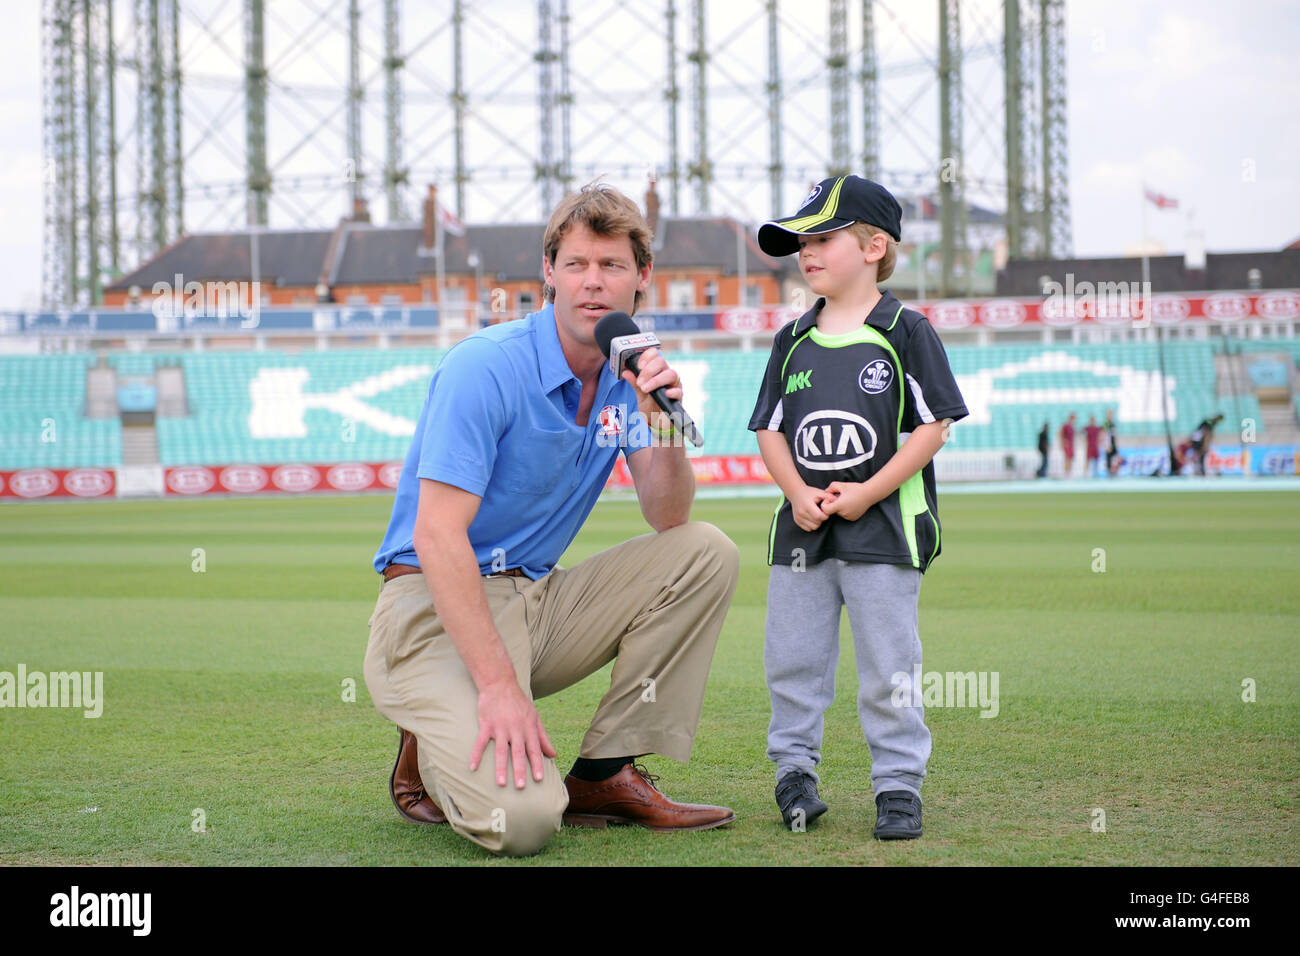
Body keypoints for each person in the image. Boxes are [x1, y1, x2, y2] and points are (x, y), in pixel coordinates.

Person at [365, 183, 740, 857]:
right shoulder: (484, 366)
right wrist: (501, 689)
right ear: (549, 272)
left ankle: (605, 773)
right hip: (432, 605)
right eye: (576, 264)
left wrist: (660, 422)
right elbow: (436, 534)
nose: (592, 283)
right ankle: (431, 721)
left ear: (641, 277)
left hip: (535, 598)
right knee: (527, 823)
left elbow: (669, 515)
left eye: (611, 266)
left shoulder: (629, 376)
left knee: (705, 550)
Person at [749, 175, 969, 839]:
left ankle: (898, 785)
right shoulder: (792, 338)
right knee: (792, 659)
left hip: (884, 532)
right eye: (800, 242)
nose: (806, 252)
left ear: (875, 244)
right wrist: (797, 493)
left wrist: (867, 492)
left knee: (888, 666)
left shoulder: (905, 331)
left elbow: (933, 428)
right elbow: (769, 429)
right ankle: (794, 775)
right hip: (802, 535)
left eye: (822, 237)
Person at [1103, 409, 1124, 476]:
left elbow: (1115, 435)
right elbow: (1104, 434)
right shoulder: (1105, 423)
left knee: (1116, 458)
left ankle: (1115, 471)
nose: (1110, 416)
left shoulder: (1113, 424)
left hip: (1113, 444)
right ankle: (1109, 473)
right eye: (1109, 414)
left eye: (1111, 414)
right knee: (1108, 459)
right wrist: (1106, 445)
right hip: (1108, 444)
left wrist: (1117, 443)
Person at [1059, 413, 1077, 478]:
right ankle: (1066, 473)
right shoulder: (1066, 425)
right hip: (1067, 445)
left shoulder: (1072, 427)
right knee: (1067, 458)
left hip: (1071, 445)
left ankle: (1069, 472)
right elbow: (1060, 433)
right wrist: (1063, 441)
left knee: (1070, 458)